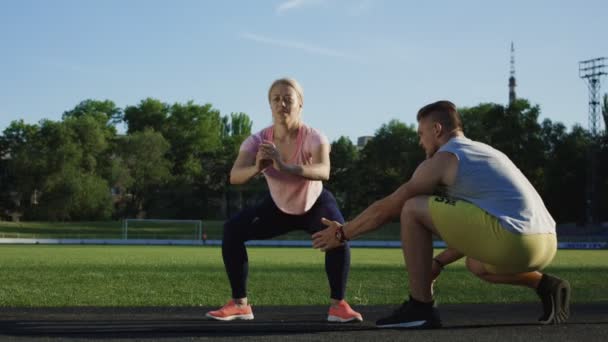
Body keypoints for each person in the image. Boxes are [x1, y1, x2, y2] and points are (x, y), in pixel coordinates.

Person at [312, 100, 570, 328]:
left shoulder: (446, 157)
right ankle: (544, 284)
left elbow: (389, 206)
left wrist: (342, 232)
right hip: (544, 243)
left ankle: (420, 307)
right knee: (476, 264)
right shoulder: (485, 153)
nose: (419, 141)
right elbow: (482, 224)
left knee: (412, 207)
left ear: (437, 130)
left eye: (421, 133)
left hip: (514, 240)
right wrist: (438, 263)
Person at [206, 77, 363, 323]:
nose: (282, 104)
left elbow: (324, 171)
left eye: (288, 99)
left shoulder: (314, 136)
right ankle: (240, 304)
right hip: (278, 206)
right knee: (232, 230)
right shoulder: (257, 141)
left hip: (314, 203)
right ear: (270, 105)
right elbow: (235, 176)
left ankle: (339, 305)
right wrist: (257, 168)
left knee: (338, 234)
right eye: (276, 99)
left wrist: (284, 166)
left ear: (300, 103)